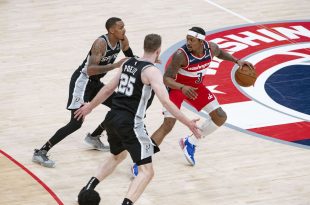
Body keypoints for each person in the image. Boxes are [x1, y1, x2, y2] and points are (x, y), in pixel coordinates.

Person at [74, 34, 201, 205]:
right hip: (131, 123)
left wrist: (89, 107)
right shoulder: (152, 72)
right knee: (147, 171)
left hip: (111, 118)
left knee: (117, 155)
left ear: (144, 47)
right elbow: (166, 101)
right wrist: (188, 123)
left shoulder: (127, 62)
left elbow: (108, 90)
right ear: (158, 50)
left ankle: (87, 189)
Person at [32, 17, 135, 168]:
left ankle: (94, 136)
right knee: (76, 123)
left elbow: (130, 57)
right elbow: (90, 69)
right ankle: (41, 152)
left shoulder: (122, 39)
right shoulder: (100, 43)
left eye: (124, 27)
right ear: (111, 30)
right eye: (120, 27)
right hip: (83, 82)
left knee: (119, 107)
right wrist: (114, 66)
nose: (124, 30)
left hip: (95, 83)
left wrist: (146, 62)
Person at [149, 26, 254, 166]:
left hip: (197, 88)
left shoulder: (211, 48)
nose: (188, 43)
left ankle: (190, 142)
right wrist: (182, 87)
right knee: (168, 125)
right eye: (187, 39)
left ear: (200, 41)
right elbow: (166, 78)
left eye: (192, 40)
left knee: (220, 116)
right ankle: (140, 162)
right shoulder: (181, 55)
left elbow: (221, 53)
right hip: (177, 89)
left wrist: (237, 61)